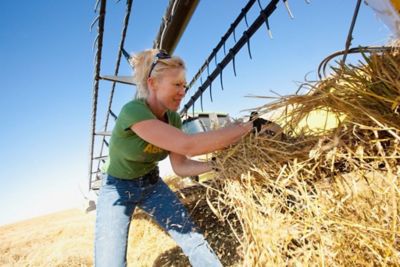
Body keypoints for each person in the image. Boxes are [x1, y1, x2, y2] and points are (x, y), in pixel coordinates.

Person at [94, 49, 275, 267]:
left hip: (151, 186)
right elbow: (187, 145)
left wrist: (217, 165)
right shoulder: (133, 111)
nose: (183, 91)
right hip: (117, 188)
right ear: (153, 84)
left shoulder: (173, 119)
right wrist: (249, 127)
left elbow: (180, 166)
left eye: (184, 85)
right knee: (109, 262)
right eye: (177, 85)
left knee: (193, 241)